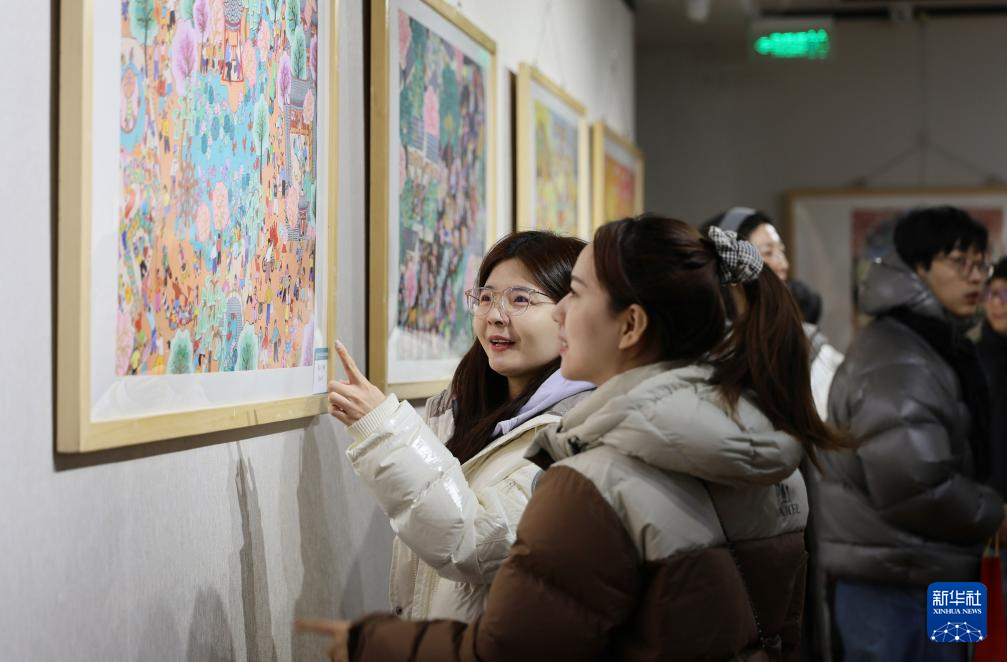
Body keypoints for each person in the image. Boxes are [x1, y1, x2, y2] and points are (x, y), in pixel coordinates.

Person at [305, 215, 848, 661]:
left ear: (630, 325)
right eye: (486, 297)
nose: (560, 311)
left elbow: (509, 646)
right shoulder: (770, 454)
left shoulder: (591, 477)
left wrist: (371, 642)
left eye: (574, 294)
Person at [326, 231, 593, 623]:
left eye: (520, 299)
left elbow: (476, 542)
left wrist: (383, 429)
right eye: (486, 298)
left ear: (574, 314)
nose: (495, 315)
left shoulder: (581, 434)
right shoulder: (458, 408)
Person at [818, 206, 1004, 662]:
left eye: (981, 264)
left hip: (945, 570)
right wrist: (995, 515)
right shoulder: (898, 354)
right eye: (959, 262)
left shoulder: (937, 342)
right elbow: (913, 486)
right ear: (918, 267)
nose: (975, 277)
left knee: (960, 656)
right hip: (896, 582)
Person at [979, 257, 1007, 499]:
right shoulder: (974, 358)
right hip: (987, 501)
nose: (997, 303)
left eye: (1006, 294)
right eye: (992, 293)